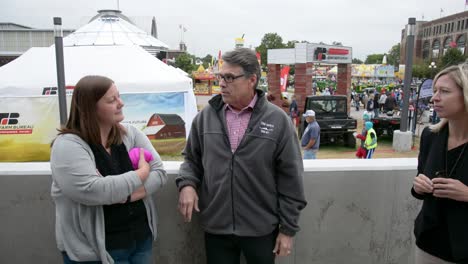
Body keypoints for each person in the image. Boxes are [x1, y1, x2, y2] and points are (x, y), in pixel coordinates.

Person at [176, 48, 307, 264]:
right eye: (220, 77)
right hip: (216, 228)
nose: (222, 84)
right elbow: (191, 160)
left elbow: (291, 178)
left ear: (252, 80)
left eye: (229, 77)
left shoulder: (277, 120)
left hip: (262, 229)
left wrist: (288, 229)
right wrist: (187, 184)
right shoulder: (205, 117)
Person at [50, 75, 167, 264]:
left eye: (119, 96)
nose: (121, 103)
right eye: (111, 100)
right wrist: (141, 174)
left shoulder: (130, 134)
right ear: (90, 108)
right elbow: (92, 191)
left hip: (140, 241)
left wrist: (123, 195)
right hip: (95, 252)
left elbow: (160, 174)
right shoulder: (68, 146)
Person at [411, 63, 468, 264]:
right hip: (428, 244)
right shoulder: (430, 136)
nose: (435, 97)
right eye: (435, 91)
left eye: (444, 91)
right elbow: (419, 185)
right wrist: (419, 185)